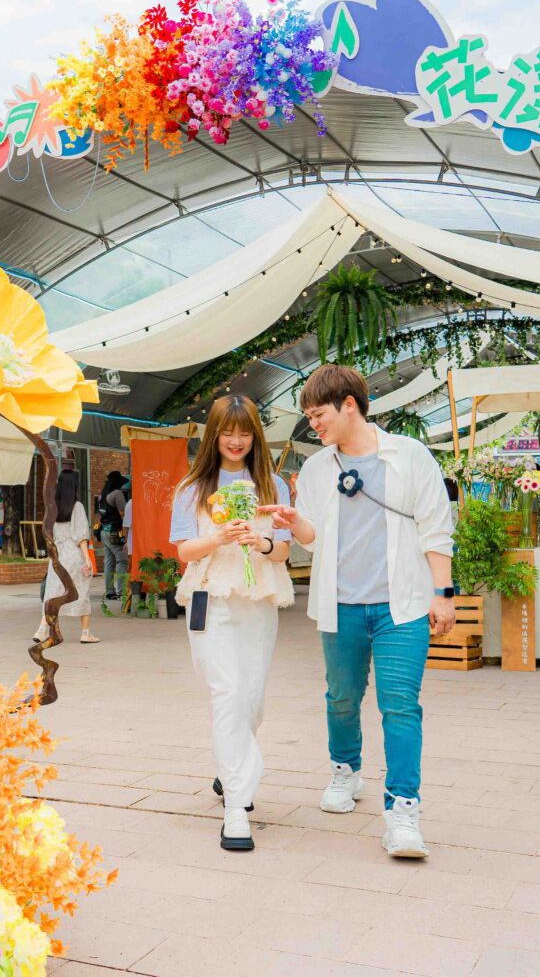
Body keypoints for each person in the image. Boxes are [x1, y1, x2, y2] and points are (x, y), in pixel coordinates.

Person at [263, 364, 455, 859]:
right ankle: (345, 770)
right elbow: (312, 538)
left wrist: (443, 593)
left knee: (400, 706)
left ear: (350, 404)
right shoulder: (315, 469)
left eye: (319, 414)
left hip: (403, 605)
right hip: (339, 605)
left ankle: (403, 812)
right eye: (308, 417)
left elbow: (436, 527)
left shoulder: (409, 456)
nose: (315, 425)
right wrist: (294, 521)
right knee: (342, 699)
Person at [169, 395, 296, 853]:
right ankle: (236, 808)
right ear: (214, 435)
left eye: (244, 433)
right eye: (228, 432)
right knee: (228, 692)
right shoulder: (192, 487)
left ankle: (230, 771)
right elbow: (182, 551)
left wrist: (261, 542)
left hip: (258, 600)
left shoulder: (272, 485)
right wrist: (216, 538)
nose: (237, 441)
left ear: (255, 435)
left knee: (253, 699)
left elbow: (283, 550)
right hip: (210, 598)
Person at [37, 469, 99, 644]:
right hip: (73, 554)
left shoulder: (52, 506)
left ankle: (43, 629)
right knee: (81, 591)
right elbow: (80, 536)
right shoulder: (76, 506)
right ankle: (85, 632)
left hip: (57, 555)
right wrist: (87, 559)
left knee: (53, 591)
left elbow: (47, 531)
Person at [96, 471, 129, 600]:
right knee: (122, 560)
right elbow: (123, 515)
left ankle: (110, 591)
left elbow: (98, 515)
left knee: (109, 561)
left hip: (104, 530)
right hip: (115, 532)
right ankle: (122, 591)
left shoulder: (102, 495)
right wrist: (127, 533)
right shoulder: (117, 494)